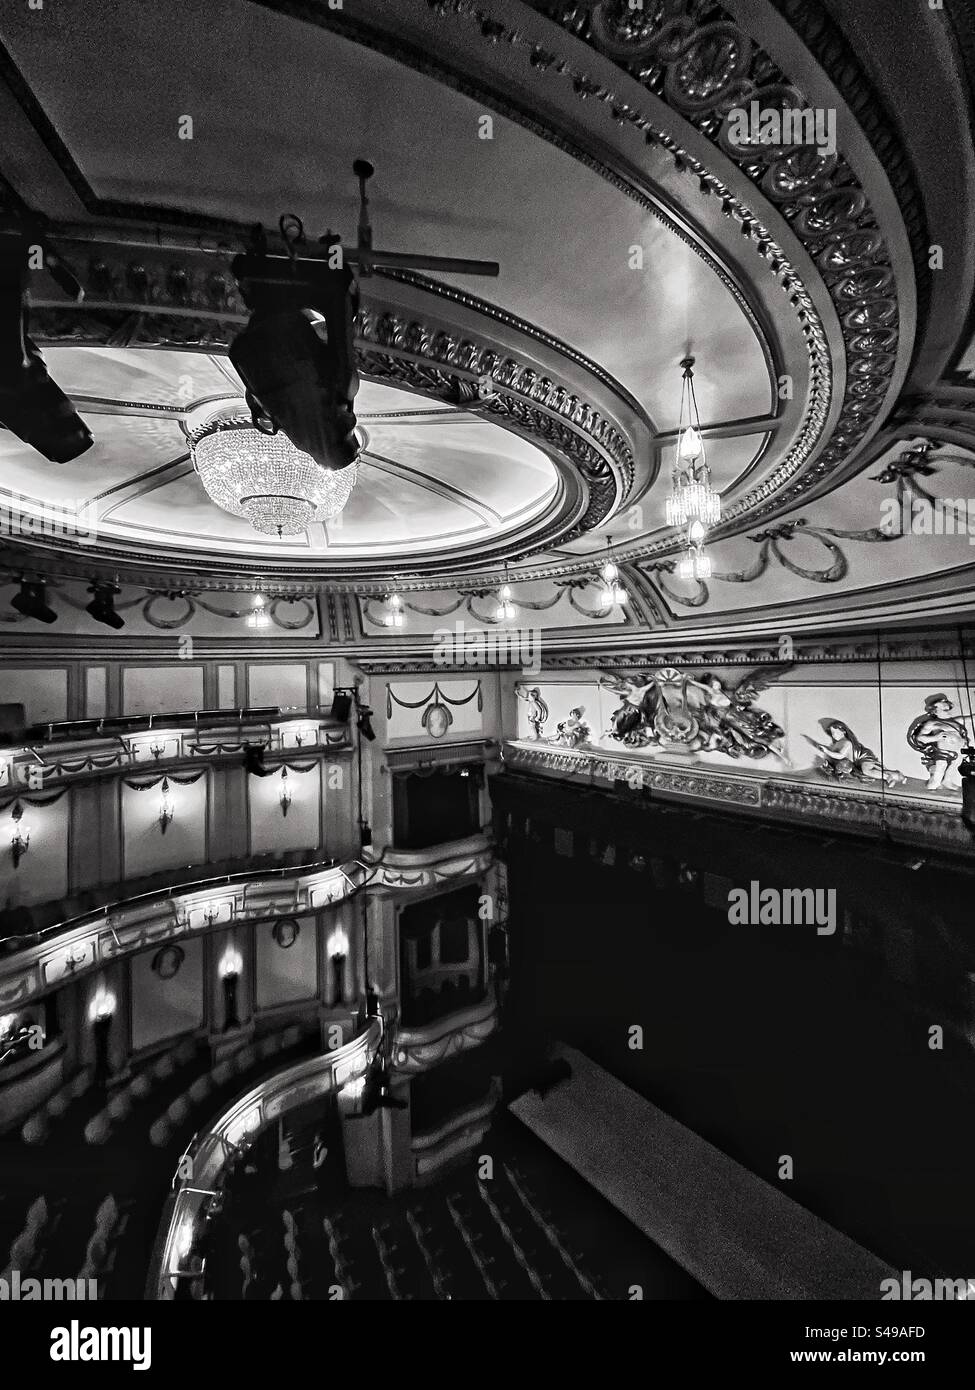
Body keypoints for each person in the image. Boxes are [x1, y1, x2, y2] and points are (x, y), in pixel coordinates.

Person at [805, 718, 906, 787]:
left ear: (843, 731)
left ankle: (888, 777)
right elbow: (832, 753)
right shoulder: (839, 743)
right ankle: (894, 775)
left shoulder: (847, 743)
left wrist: (826, 750)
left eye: (835, 733)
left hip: (863, 757)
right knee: (871, 770)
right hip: (858, 761)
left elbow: (840, 756)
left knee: (866, 771)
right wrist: (821, 747)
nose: (833, 735)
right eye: (832, 733)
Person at [907, 693, 973, 791]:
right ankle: (934, 784)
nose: (948, 711)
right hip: (943, 751)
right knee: (941, 767)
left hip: (958, 750)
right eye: (944, 710)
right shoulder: (932, 724)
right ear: (935, 711)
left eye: (948, 709)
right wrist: (935, 737)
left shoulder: (957, 721)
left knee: (955, 765)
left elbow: (971, 718)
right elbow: (920, 738)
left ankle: (947, 781)